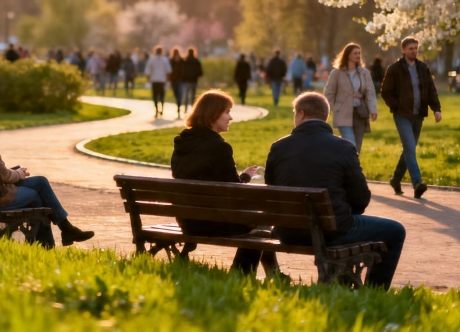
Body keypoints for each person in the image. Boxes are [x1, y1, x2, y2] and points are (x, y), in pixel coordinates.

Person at [265, 92, 406, 290]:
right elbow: (361, 196)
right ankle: (375, 291)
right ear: (325, 116)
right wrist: (348, 212)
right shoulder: (343, 147)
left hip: (287, 231)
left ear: (301, 114)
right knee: (395, 230)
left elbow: (272, 187)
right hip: (332, 231)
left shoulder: (279, 147)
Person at [0, 96, 94, 248]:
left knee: (39, 189)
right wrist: (20, 174)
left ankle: (54, 239)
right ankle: (59, 235)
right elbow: (3, 175)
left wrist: (14, 172)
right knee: (40, 186)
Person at [170, 89, 281, 277]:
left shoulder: (182, 143)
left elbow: (211, 180)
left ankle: (276, 275)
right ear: (213, 115)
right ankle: (241, 273)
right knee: (262, 224)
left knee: (258, 221)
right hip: (213, 222)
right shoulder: (219, 147)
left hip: (188, 220)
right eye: (227, 112)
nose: (231, 118)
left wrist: (243, 178)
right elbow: (234, 191)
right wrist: (245, 182)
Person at [380, 37, 442, 198]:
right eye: (410, 48)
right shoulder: (395, 68)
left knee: (409, 149)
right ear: (403, 50)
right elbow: (385, 91)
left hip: (418, 115)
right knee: (409, 147)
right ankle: (417, 183)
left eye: (416, 48)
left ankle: (396, 179)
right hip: (402, 115)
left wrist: (436, 109)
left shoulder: (423, 68)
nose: (414, 51)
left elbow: (430, 90)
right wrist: (396, 105)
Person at [324, 43, 378, 154]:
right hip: (343, 112)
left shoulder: (364, 73)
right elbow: (329, 93)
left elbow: (370, 93)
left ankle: (351, 169)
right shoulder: (336, 73)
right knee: (350, 144)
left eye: (359, 53)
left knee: (357, 146)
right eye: (355, 53)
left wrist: (373, 110)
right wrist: (332, 109)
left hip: (360, 112)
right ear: (347, 55)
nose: (358, 55)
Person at [144, 45, 172, 118]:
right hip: (162, 80)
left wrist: (148, 79)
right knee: (161, 96)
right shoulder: (165, 59)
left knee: (155, 96)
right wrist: (167, 80)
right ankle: (161, 109)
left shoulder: (152, 59)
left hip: (154, 80)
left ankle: (156, 110)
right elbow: (168, 71)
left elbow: (148, 71)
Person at [180, 47, 203, 114]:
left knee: (186, 95)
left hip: (186, 80)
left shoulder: (185, 61)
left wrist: (183, 77)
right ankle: (193, 108)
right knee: (193, 95)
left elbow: (182, 71)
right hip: (194, 80)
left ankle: (185, 108)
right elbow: (200, 72)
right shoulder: (196, 61)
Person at [169, 47, 185, 119]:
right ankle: (178, 104)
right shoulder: (171, 61)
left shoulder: (182, 60)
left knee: (179, 94)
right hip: (174, 80)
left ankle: (178, 106)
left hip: (179, 79)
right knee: (176, 94)